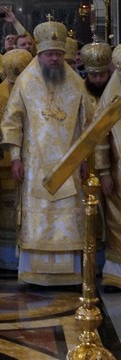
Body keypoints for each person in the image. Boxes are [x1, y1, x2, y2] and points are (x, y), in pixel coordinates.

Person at [1, 19, 92, 287]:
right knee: (37, 218)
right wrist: (15, 157)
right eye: (49, 54)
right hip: (34, 166)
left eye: (58, 54)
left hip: (69, 166)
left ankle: (68, 276)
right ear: (39, 54)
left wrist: (85, 159)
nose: (54, 59)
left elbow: (87, 124)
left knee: (67, 217)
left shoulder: (76, 83)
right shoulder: (26, 81)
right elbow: (12, 122)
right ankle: (34, 275)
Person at [0, 48, 33, 271]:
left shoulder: (35, 89)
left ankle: (26, 259)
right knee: (5, 212)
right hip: (5, 162)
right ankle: (6, 260)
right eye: (12, 81)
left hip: (30, 161)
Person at [95, 44, 121, 291]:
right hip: (118, 171)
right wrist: (103, 172)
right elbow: (100, 137)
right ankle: (116, 274)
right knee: (116, 221)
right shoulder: (111, 97)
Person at [81, 40, 112, 105]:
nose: (98, 80)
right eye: (93, 75)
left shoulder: (117, 90)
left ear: (108, 73)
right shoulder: (78, 90)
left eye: (102, 75)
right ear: (88, 74)